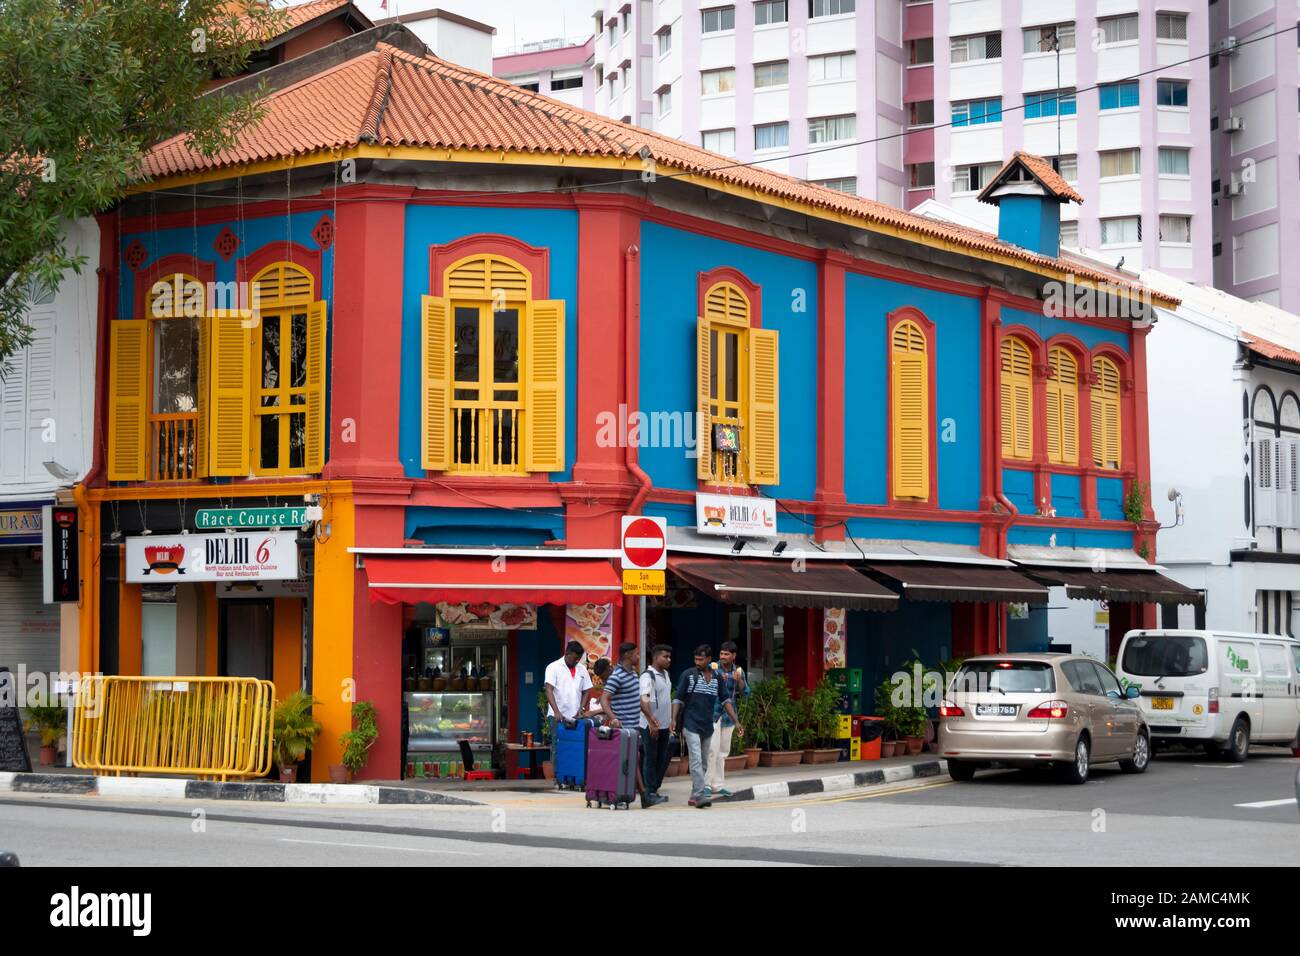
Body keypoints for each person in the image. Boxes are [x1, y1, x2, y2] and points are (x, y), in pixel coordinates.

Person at [673, 644, 742, 809]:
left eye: (701, 659)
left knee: (704, 762)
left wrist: (736, 721)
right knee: (696, 759)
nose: (697, 662)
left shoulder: (717, 678)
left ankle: (693, 795)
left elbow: (726, 700)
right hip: (690, 724)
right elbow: (678, 699)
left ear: (709, 660)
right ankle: (699, 795)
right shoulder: (688, 675)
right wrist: (673, 720)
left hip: (707, 725)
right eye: (695, 659)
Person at [600, 642, 663, 808]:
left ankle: (632, 794)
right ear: (628, 655)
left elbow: (639, 700)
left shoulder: (634, 674)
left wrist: (650, 717)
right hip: (623, 728)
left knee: (632, 760)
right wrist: (613, 718)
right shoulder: (616, 676)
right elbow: (604, 699)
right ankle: (643, 796)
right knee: (632, 760)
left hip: (634, 727)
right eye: (636, 654)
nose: (638, 657)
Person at [706, 640, 748, 798]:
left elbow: (745, 692)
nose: (723, 656)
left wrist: (740, 680)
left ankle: (718, 785)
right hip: (714, 714)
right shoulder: (712, 668)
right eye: (721, 653)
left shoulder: (738, 671)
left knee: (723, 752)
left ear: (733, 656)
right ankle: (706, 785)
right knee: (711, 750)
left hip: (730, 716)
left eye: (726, 654)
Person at [639, 644, 674, 801]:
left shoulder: (665, 674)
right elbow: (644, 700)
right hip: (651, 725)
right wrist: (651, 723)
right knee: (651, 758)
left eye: (669, 656)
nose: (668, 659)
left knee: (661, 757)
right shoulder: (648, 676)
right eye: (665, 656)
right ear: (655, 657)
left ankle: (654, 789)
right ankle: (649, 792)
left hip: (664, 725)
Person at [543, 641, 592, 742]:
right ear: (567, 653)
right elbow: (548, 690)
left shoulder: (582, 669)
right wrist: (557, 712)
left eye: (579, 659)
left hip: (576, 717)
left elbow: (587, 690)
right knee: (558, 747)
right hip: (558, 716)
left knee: (575, 745)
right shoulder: (553, 667)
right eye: (575, 659)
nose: (577, 661)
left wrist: (581, 708)